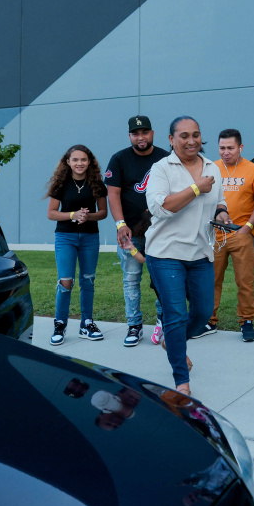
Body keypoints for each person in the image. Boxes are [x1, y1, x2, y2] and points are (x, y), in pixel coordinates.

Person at [144, 116, 226, 396]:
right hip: (165, 253)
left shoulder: (213, 168)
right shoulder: (161, 168)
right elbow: (160, 208)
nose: (192, 141)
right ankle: (182, 381)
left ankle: (172, 340)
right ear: (171, 139)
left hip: (200, 252)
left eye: (196, 135)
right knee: (176, 314)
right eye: (184, 136)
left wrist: (222, 213)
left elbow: (219, 201)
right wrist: (195, 188)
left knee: (202, 313)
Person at [105, 115, 168, 347]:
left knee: (161, 279)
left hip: (160, 230)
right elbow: (113, 193)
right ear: (130, 135)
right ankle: (134, 325)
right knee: (131, 279)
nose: (141, 137)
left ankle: (163, 321)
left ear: (152, 133)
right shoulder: (119, 159)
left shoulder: (165, 158)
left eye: (145, 132)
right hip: (130, 230)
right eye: (135, 133)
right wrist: (120, 224)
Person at [45, 145, 109, 346]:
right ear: (68, 162)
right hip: (65, 237)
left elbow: (103, 212)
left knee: (88, 280)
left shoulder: (97, 183)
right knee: (66, 280)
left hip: (90, 237)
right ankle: (60, 324)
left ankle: (86, 323)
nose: (79, 163)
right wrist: (73, 215)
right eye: (75, 160)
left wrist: (88, 216)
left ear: (89, 162)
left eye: (83, 159)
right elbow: (51, 213)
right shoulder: (60, 183)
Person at [209, 129, 254, 342]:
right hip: (215, 234)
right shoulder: (211, 168)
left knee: (245, 280)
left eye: (230, 148)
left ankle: (247, 320)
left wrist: (248, 226)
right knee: (210, 279)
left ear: (240, 147)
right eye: (222, 148)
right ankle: (209, 319)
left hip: (241, 233)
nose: (226, 152)